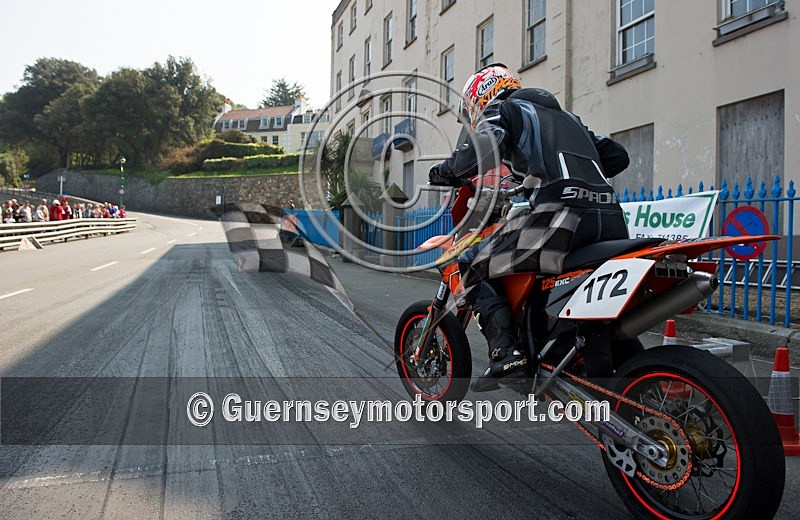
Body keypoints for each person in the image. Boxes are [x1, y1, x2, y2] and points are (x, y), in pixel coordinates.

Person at [428, 64, 630, 391]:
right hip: (611, 221)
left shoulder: (505, 109)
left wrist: (448, 170)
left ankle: (507, 353)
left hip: (561, 218)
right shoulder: (569, 119)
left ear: (480, 98)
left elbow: (482, 148)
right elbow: (618, 156)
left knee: (470, 262)